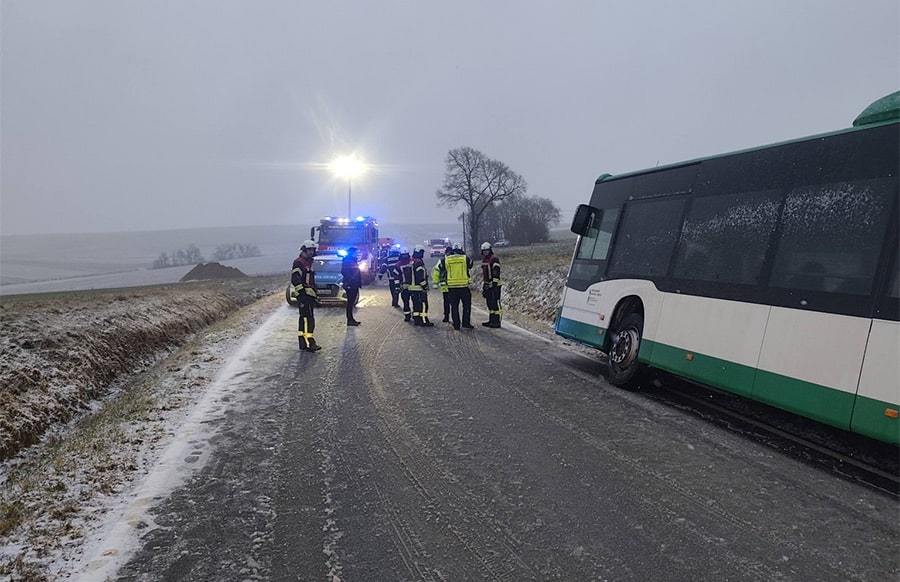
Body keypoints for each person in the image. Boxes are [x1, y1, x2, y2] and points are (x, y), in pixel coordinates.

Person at [291, 240, 322, 351]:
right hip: (304, 295)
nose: (311, 252)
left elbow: (311, 280)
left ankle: (303, 343)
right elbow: (295, 279)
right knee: (307, 319)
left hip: (309, 295)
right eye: (309, 250)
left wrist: (315, 294)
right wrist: (302, 294)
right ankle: (310, 342)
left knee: (305, 318)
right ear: (304, 250)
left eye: (313, 250)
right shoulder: (299, 262)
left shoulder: (309, 262)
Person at [445, 242, 474, 330]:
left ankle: (456, 324)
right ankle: (466, 323)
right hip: (463, 287)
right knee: (466, 306)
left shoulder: (447, 259)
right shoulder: (465, 258)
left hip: (452, 287)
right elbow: (471, 265)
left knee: (454, 307)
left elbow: (445, 269)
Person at [410, 244, 434, 326]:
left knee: (416, 305)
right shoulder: (419, 263)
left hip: (412, 288)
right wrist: (424, 286)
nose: (423, 254)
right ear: (419, 252)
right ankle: (424, 320)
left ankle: (417, 320)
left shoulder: (412, 261)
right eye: (422, 252)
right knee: (423, 305)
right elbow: (420, 276)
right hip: (419, 288)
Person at [480, 241, 502, 328]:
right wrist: (485, 286)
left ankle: (497, 321)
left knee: (495, 303)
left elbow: (496, 271)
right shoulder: (485, 260)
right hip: (488, 285)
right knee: (489, 303)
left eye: (487, 250)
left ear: (490, 250)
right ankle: (491, 320)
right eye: (484, 251)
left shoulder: (494, 259)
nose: (485, 252)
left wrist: (494, 284)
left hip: (495, 285)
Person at [432, 243, 454, 322]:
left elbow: (436, 272)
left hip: (447, 285)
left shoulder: (442, 261)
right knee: (451, 303)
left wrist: (435, 283)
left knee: (448, 302)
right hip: (451, 285)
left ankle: (447, 316)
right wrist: (435, 283)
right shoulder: (447, 261)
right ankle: (450, 317)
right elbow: (436, 271)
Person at [341, 247, 362, 326]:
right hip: (350, 284)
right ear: (352, 253)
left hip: (354, 284)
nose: (356, 254)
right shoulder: (347, 261)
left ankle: (351, 319)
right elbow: (344, 272)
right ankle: (350, 320)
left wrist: (358, 282)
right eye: (355, 253)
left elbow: (357, 272)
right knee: (350, 302)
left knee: (352, 302)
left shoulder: (353, 260)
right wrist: (352, 280)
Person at [397, 248, 413, 322]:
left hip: (404, 287)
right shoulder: (412, 262)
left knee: (406, 302)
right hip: (413, 286)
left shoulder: (398, 264)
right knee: (415, 302)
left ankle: (407, 316)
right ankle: (415, 316)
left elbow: (396, 277)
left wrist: (397, 287)